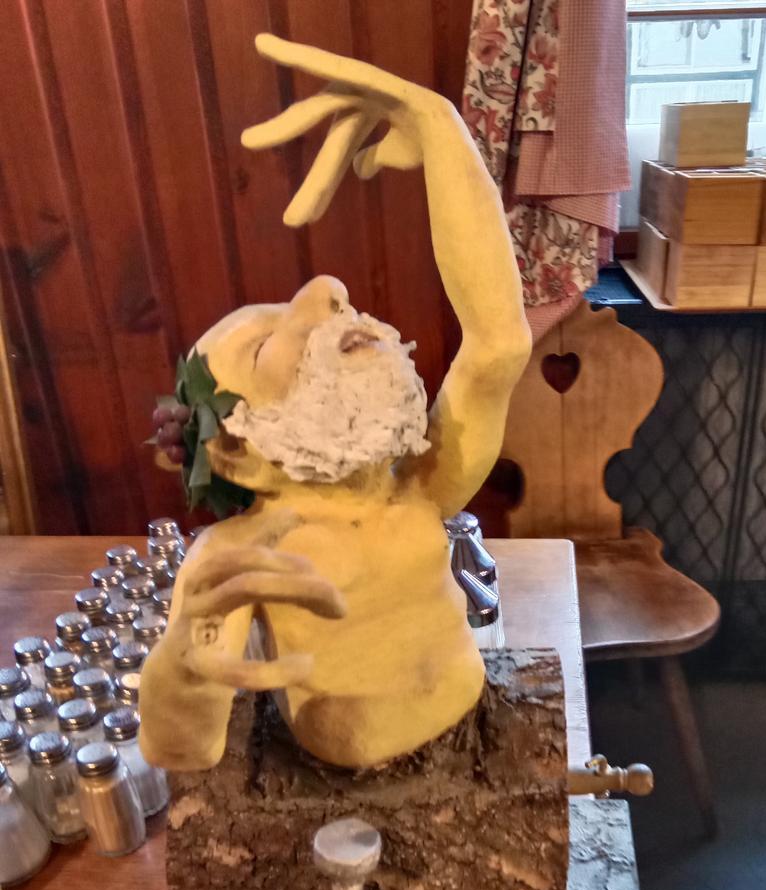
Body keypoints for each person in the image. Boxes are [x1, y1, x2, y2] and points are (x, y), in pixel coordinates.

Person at [139, 37, 531, 772]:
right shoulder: (243, 557)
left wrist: (441, 130)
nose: (329, 291)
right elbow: (183, 748)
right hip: (337, 780)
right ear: (234, 449)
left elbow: (499, 344)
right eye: (265, 345)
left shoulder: (423, 486)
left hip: (469, 735)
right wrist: (181, 677)